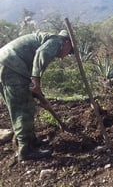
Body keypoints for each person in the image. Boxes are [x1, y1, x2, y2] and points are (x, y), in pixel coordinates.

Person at [0, 30, 73, 161]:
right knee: (23, 109)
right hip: (11, 67)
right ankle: (25, 151)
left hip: (8, 65)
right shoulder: (57, 41)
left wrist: (38, 93)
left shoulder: (46, 39)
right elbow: (41, 53)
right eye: (70, 51)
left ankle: (31, 142)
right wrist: (35, 80)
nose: (65, 56)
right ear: (67, 42)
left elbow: (34, 65)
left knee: (23, 105)